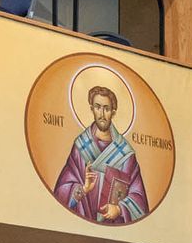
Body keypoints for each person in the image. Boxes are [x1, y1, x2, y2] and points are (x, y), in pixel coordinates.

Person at [53, 85, 147, 223]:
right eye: (97, 107)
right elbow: (61, 193)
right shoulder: (81, 146)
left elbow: (139, 198)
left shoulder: (126, 153)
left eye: (107, 109)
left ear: (113, 113)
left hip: (114, 233)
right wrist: (83, 189)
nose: (102, 114)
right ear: (92, 109)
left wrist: (119, 209)